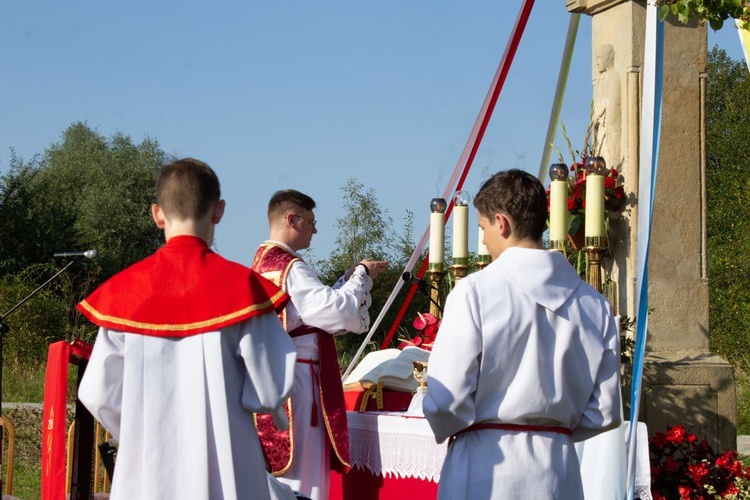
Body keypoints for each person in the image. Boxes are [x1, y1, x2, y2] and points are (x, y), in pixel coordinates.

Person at [76, 158, 299, 500]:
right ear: (218, 211)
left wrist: (144, 428)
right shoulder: (242, 289)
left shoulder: (126, 294)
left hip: (148, 469)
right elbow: (268, 389)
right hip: (227, 461)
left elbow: (97, 393)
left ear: (157, 214)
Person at [423, 169, 622, 499]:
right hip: (558, 470)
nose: (484, 240)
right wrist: (552, 430)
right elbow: (605, 410)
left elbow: (449, 400)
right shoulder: (595, 305)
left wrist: (438, 419)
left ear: (501, 223)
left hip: (486, 464)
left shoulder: (474, 291)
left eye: (483, 228)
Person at [252, 189, 388, 500]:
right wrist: (362, 276)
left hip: (276, 376)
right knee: (305, 479)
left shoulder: (261, 261)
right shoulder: (290, 266)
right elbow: (331, 312)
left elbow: (308, 316)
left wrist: (347, 280)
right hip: (298, 383)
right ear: (292, 220)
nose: (315, 230)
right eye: (311, 222)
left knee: (283, 480)